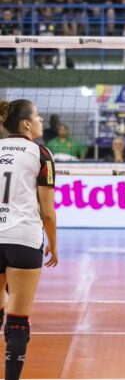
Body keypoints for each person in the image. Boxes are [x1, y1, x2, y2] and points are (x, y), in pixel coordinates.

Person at [0, 99, 58, 380]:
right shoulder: (41, 153)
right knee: (18, 322)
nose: (41, 120)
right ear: (25, 124)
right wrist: (54, 244)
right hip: (24, 237)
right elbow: (47, 212)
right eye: (37, 116)